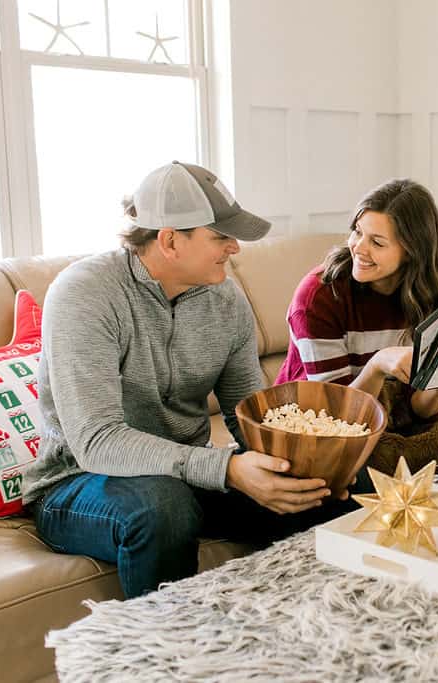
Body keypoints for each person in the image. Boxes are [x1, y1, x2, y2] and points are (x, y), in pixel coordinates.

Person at [22, 161, 352, 599]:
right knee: (164, 507)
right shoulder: (85, 295)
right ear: (170, 240)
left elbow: (248, 415)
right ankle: (171, 657)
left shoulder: (226, 300)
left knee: (331, 489)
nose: (234, 247)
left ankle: (307, 632)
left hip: (183, 474)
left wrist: (310, 465)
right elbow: (97, 441)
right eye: (219, 236)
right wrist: (227, 469)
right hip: (79, 481)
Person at [276, 179, 438, 468]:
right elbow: (337, 417)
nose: (359, 248)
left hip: (392, 416)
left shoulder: (437, 296)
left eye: (377, 242)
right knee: (369, 466)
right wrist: (377, 365)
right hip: (315, 418)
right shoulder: (319, 296)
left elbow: (419, 410)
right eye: (358, 232)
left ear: (411, 251)